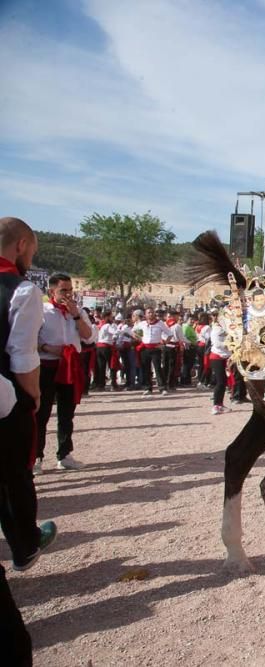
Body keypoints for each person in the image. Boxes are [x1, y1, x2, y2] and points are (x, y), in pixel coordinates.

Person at [0, 217, 58, 664]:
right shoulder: (21, 290)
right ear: (21, 246)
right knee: (14, 469)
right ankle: (23, 543)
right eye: (32, 250)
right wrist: (33, 394)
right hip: (3, 396)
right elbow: (22, 353)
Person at [35, 273, 95, 472]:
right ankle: (36, 456)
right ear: (52, 291)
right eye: (63, 290)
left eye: (70, 290)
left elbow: (88, 337)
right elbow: (28, 339)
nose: (68, 294)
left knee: (66, 413)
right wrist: (47, 347)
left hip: (71, 366)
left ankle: (64, 454)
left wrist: (76, 315)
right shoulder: (41, 311)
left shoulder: (78, 312)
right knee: (41, 413)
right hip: (47, 365)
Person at [134, 307, 173, 395]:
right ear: (145, 314)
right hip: (145, 348)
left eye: (152, 312)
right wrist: (140, 338)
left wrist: (164, 344)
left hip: (156, 348)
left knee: (158, 368)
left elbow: (170, 334)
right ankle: (147, 388)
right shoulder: (142, 324)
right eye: (148, 313)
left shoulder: (160, 323)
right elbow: (134, 331)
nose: (150, 314)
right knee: (146, 368)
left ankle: (162, 387)